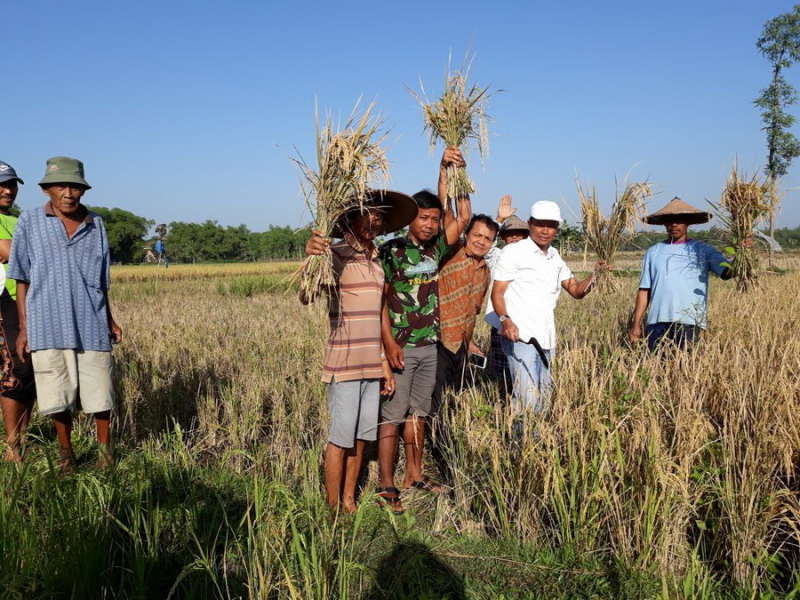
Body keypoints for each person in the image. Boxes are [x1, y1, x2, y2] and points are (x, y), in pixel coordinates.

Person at [302, 190, 416, 512]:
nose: (375, 220)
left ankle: (350, 500)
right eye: (369, 213)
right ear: (351, 218)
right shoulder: (333, 255)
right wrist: (312, 257)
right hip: (344, 362)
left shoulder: (377, 260)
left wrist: (383, 362)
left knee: (362, 437)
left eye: (380, 216)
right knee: (340, 438)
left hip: (371, 364)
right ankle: (333, 506)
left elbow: (380, 311)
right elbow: (305, 295)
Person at [8, 156, 122, 471]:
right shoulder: (29, 222)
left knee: (101, 393)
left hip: (91, 321)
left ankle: (105, 454)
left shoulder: (96, 223)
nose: (69, 193)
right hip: (46, 322)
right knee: (57, 394)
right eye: (61, 186)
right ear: (47, 189)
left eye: (75, 186)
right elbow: (21, 277)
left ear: (83, 190)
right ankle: (65, 454)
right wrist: (24, 328)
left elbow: (102, 280)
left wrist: (109, 319)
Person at [378, 147, 471, 512]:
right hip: (399, 347)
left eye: (435, 218)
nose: (431, 224)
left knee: (419, 414)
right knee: (392, 417)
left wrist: (451, 170)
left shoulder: (436, 250)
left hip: (428, 346)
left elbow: (461, 215)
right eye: (424, 218)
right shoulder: (392, 252)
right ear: (409, 220)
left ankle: (413, 474)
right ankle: (386, 483)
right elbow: (381, 303)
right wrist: (387, 345)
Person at [490, 201, 603, 413]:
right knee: (527, 400)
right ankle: (521, 443)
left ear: (556, 229)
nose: (545, 230)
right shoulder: (514, 252)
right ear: (530, 224)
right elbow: (497, 292)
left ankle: (538, 443)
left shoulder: (555, 257)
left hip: (547, 338)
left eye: (550, 225)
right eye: (540, 224)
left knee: (544, 398)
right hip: (521, 337)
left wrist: (597, 275)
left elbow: (576, 291)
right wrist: (506, 320)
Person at [429, 213, 498, 485]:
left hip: (460, 345)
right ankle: (439, 461)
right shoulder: (451, 253)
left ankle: (450, 451)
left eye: (488, 239)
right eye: (478, 235)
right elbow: (452, 216)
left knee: (451, 401)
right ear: (467, 234)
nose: (482, 242)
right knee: (432, 405)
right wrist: (449, 175)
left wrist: (470, 343)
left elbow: (473, 310)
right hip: (437, 341)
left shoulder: (485, 271)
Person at [628, 197, 735, 351]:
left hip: (690, 321)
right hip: (657, 322)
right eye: (670, 221)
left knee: (686, 368)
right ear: (664, 224)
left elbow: (727, 273)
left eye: (679, 220)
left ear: (688, 223)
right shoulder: (653, 252)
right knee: (656, 369)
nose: (674, 225)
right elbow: (644, 291)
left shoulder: (703, 250)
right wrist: (636, 324)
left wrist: (743, 253)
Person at [0, 161, 36, 462]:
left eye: (11, 184)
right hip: (5, 301)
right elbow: (10, 253)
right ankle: (13, 446)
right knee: (15, 368)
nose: (7, 190)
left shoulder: (18, 220)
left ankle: (22, 437)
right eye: (2, 185)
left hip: (29, 299)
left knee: (33, 369)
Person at [484, 196, 529, 388]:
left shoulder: (534, 258)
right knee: (502, 367)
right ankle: (504, 402)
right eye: (511, 234)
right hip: (501, 320)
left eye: (520, 234)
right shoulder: (498, 256)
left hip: (527, 322)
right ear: (503, 237)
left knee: (524, 368)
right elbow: (485, 245)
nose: (516, 237)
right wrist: (499, 220)